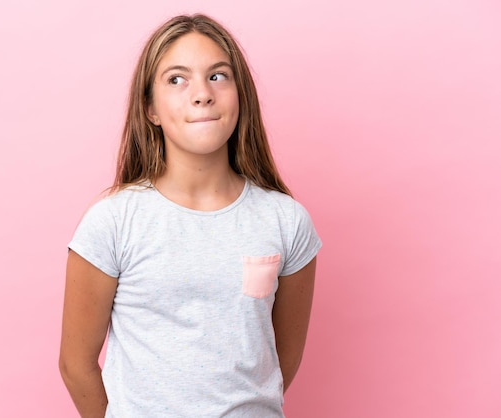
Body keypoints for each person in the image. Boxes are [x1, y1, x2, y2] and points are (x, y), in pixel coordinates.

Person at [59, 13, 322, 418]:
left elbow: (277, 363)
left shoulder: (286, 222)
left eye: (218, 76)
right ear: (151, 109)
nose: (202, 94)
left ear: (241, 95)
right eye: (176, 79)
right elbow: (76, 365)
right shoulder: (112, 222)